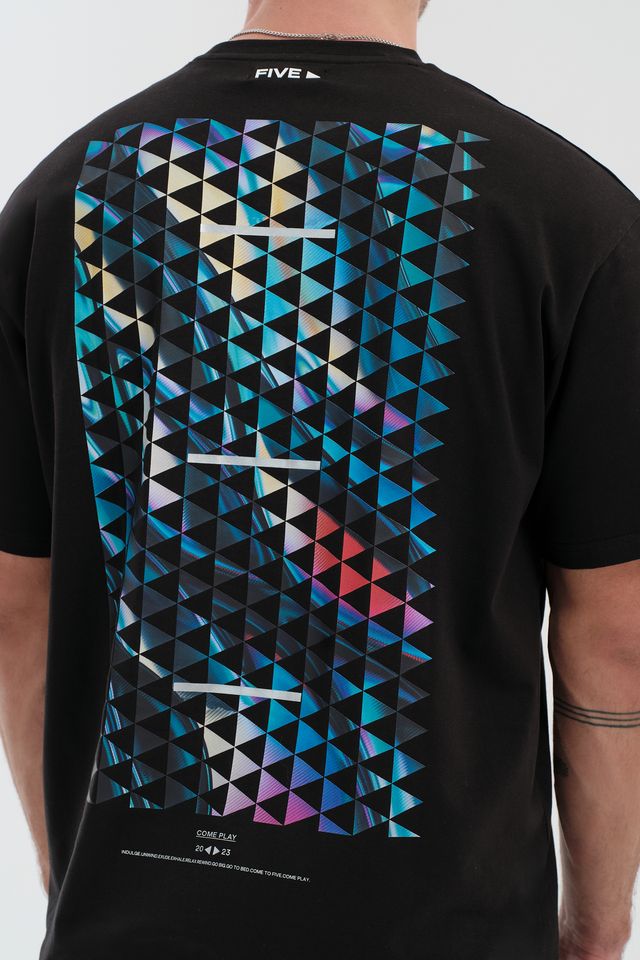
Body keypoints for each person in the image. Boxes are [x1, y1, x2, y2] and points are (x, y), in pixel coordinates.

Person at [0, 0, 638, 957]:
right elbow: (617, 632)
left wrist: (72, 886)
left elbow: (17, 604)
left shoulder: (61, 196)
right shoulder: (566, 209)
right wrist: (594, 932)